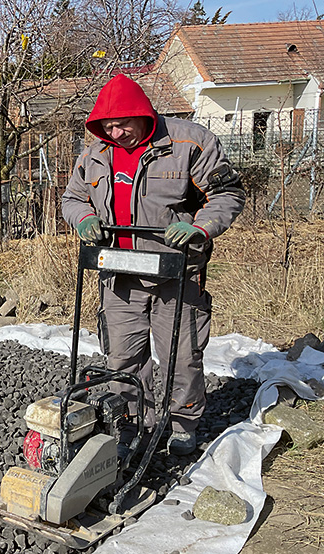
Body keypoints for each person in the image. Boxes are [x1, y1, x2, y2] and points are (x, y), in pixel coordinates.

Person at [61, 73, 245, 456]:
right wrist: (82, 219)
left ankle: (182, 424)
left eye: (123, 122)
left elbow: (227, 193)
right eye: (107, 125)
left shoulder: (189, 142)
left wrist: (199, 226)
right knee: (123, 356)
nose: (116, 131)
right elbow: (73, 198)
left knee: (181, 354)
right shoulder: (95, 154)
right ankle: (132, 421)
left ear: (143, 114)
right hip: (119, 271)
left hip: (174, 272)